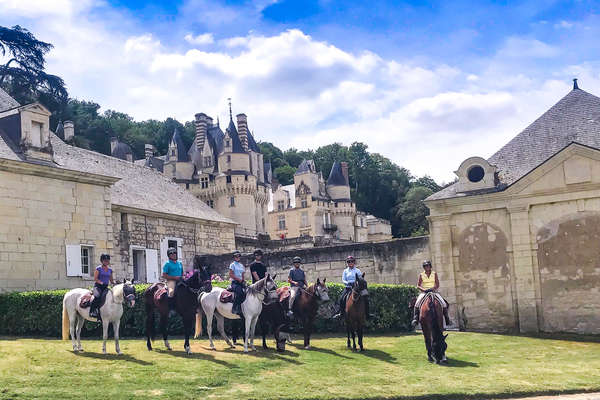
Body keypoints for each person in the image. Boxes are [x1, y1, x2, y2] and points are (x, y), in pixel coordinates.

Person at [411, 260, 451, 327]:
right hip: (424, 292)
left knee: (443, 303)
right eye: (426, 266)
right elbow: (418, 285)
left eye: (428, 266)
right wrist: (424, 290)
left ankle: (447, 319)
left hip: (433, 291)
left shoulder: (434, 274)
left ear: (430, 266)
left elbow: (437, 284)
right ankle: (415, 319)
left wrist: (432, 288)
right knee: (417, 303)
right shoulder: (421, 275)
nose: (427, 267)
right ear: (424, 267)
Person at [333, 255, 364, 319]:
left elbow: (361, 279)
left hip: (356, 288)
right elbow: (343, 279)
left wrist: (355, 283)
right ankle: (341, 313)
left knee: (365, 298)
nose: (350, 263)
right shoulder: (345, 271)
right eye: (349, 262)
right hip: (348, 288)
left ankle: (367, 313)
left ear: (354, 262)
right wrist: (348, 283)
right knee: (341, 299)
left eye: (351, 261)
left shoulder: (358, 271)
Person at [89, 254, 114, 320]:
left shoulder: (110, 270)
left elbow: (111, 280)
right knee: (97, 296)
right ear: (102, 261)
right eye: (105, 260)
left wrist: (116, 283)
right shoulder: (98, 269)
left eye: (107, 260)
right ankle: (92, 311)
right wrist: (101, 282)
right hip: (98, 287)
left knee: (111, 297)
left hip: (105, 287)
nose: (106, 262)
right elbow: (95, 278)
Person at [229, 251, 246, 316]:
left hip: (241, 282)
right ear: (234, 257)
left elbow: (242, 275)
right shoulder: (232, 264)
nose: (237, 257)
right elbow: (231, 274)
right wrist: (239, 280)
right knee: (240, 293)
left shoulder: (241, 265)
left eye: (238, 256)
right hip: (235, 282)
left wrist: (243, 281)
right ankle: (235, 308)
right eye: (236, 256)